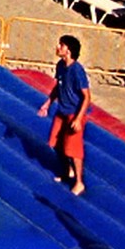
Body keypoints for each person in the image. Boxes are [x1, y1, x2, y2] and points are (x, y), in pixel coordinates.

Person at [38, 34, 90, 195]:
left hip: (74, 113)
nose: (58, 47)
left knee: (73, 150)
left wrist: (78, 119)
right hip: (62, 110)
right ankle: (68, 171)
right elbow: (58, 87)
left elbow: (87, 96)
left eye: (61, 45)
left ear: (68, 50)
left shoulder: (77, 70)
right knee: (55, 143)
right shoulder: (61, 65)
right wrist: (47, 104)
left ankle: (80, 182)